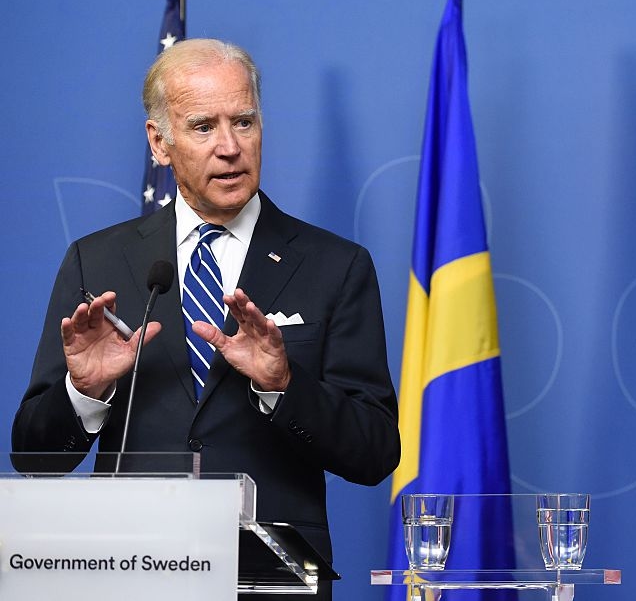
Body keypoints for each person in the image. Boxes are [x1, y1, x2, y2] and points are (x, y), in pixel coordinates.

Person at [11, 38, 400, 597]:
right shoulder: (95, 261)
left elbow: (375, 452)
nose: (229, 147)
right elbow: (34, 458)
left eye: (243, 122)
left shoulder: (335, 266)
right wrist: (84, 391)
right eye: (202, 127)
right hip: (128, 574)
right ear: (159, 143)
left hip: (274, 580)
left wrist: (283, 385)